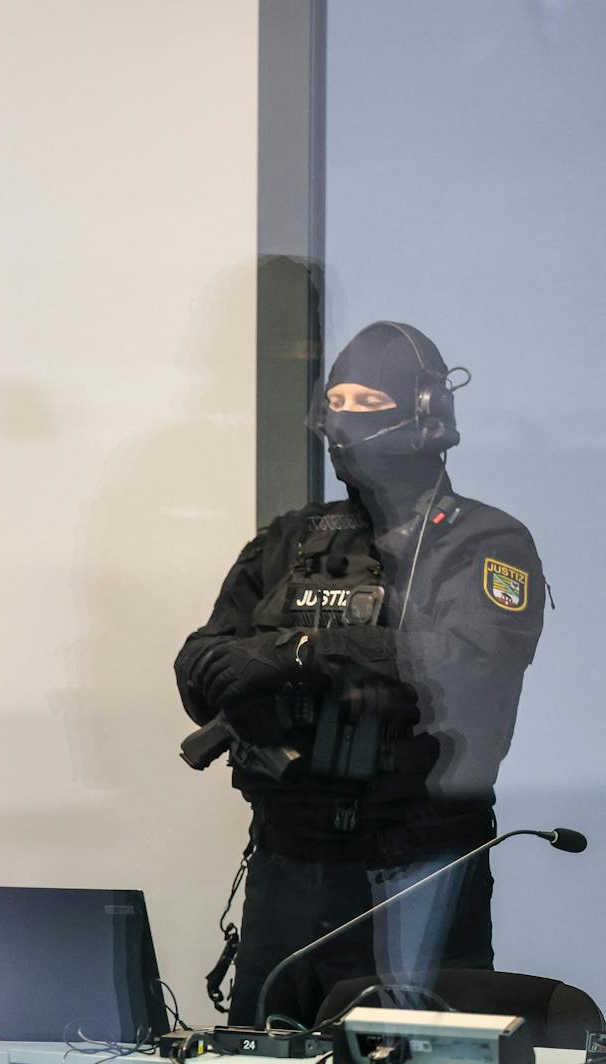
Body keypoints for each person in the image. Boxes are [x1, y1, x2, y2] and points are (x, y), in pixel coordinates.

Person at [175, 321, 544, 1027]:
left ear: (426, 415)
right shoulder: (289, 539)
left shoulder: (488, 543)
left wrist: (302, 654)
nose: (348, 421)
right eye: (338, 400)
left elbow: (465, 661)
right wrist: (243, 673)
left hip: (414, 868)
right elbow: (199, 662)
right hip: (287, 869)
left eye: (368, 401)